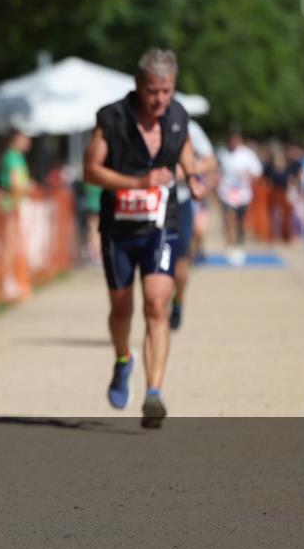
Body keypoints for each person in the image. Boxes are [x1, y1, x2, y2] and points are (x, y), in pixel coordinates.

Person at [83, 48, 205, 428]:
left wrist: (193, 173)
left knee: (156, 304)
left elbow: (183, 143)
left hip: (161, 225)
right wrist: (137, 182)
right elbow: (91, 170)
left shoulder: (177, 116)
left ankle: (154, 392)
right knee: (122, 310)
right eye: (153, 91)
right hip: (119, 229)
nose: (160, 100)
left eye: (167, 91)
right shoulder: (113, 118)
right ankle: (123, 360)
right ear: (139, 86)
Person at [170, 121, 216, 329]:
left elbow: (210, 160)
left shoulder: (188, 126)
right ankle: (156, 310)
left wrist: (188, 171)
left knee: (180, 264)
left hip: (180, 202)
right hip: (150, 205)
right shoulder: (137, 120)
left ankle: (178, 300)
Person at [217, 133, 263, 266]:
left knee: (241, 222)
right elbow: (217, 170)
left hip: (243, 194)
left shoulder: (248, 155)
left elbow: (257, 172)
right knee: (229, 219)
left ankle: (240, 245)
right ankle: (230, 247)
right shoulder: (222, 154)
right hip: (226, 193)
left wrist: (247, 175)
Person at [0, 130, 32, 298]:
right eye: (25, 138)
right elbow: (15, 184)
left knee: (13, 245)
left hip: (15, 205)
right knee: (9, 245)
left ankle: (12, 280)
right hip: (11, 206)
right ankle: (7, 282)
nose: (28, 141)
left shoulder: (16, 156)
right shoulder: (12, 157)